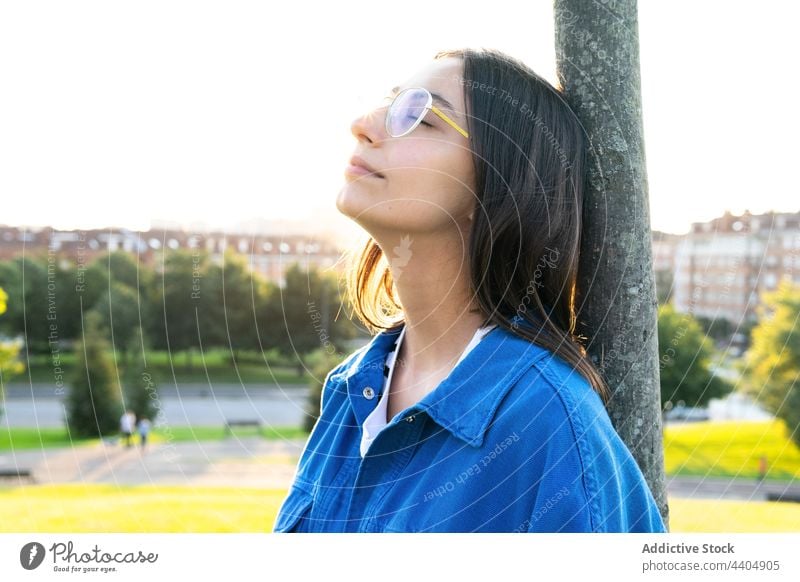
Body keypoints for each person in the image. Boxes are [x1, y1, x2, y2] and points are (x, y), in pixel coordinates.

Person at [273, 48, 667, 533]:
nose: (364, 124)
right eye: (391, 104)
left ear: (501, 182)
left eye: (422, 117)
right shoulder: (349, 391)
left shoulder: (547, 426)